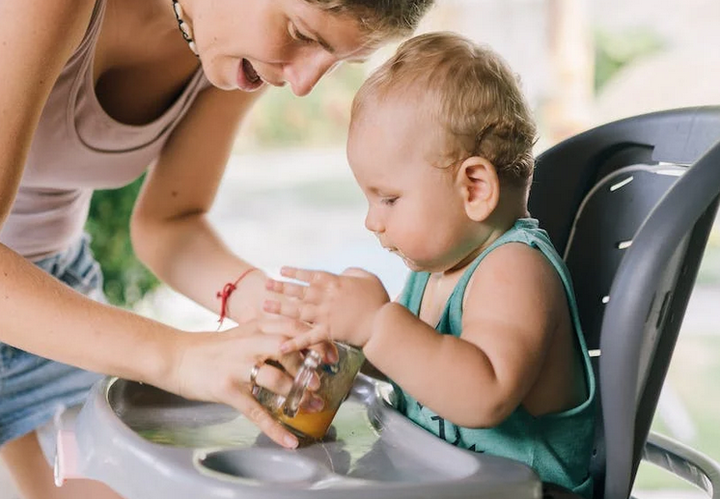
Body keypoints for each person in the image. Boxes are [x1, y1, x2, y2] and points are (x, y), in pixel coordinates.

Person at [0, 1, 435, 498]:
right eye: (300, 32)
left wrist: (281, 313)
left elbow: (170, 224)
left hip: (51, 295)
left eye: (336, 60)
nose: (301, 83)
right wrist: (180, 358)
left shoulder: (237, 51)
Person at [261, 32, 597, 497]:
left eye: (389, 198)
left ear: (474, 187)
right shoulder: (434, 271)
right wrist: (344, 345)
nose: (372, 220)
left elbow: (484, 394)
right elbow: (417, 368)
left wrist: (377, 325)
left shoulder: (516, 269)